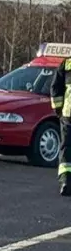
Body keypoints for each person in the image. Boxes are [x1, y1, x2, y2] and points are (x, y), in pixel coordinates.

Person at [51, 56, 71, 196]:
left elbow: (55, 87)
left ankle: (65, 182)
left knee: (66, 147)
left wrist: (58, 110)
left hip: (68, 114)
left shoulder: (67, 63)